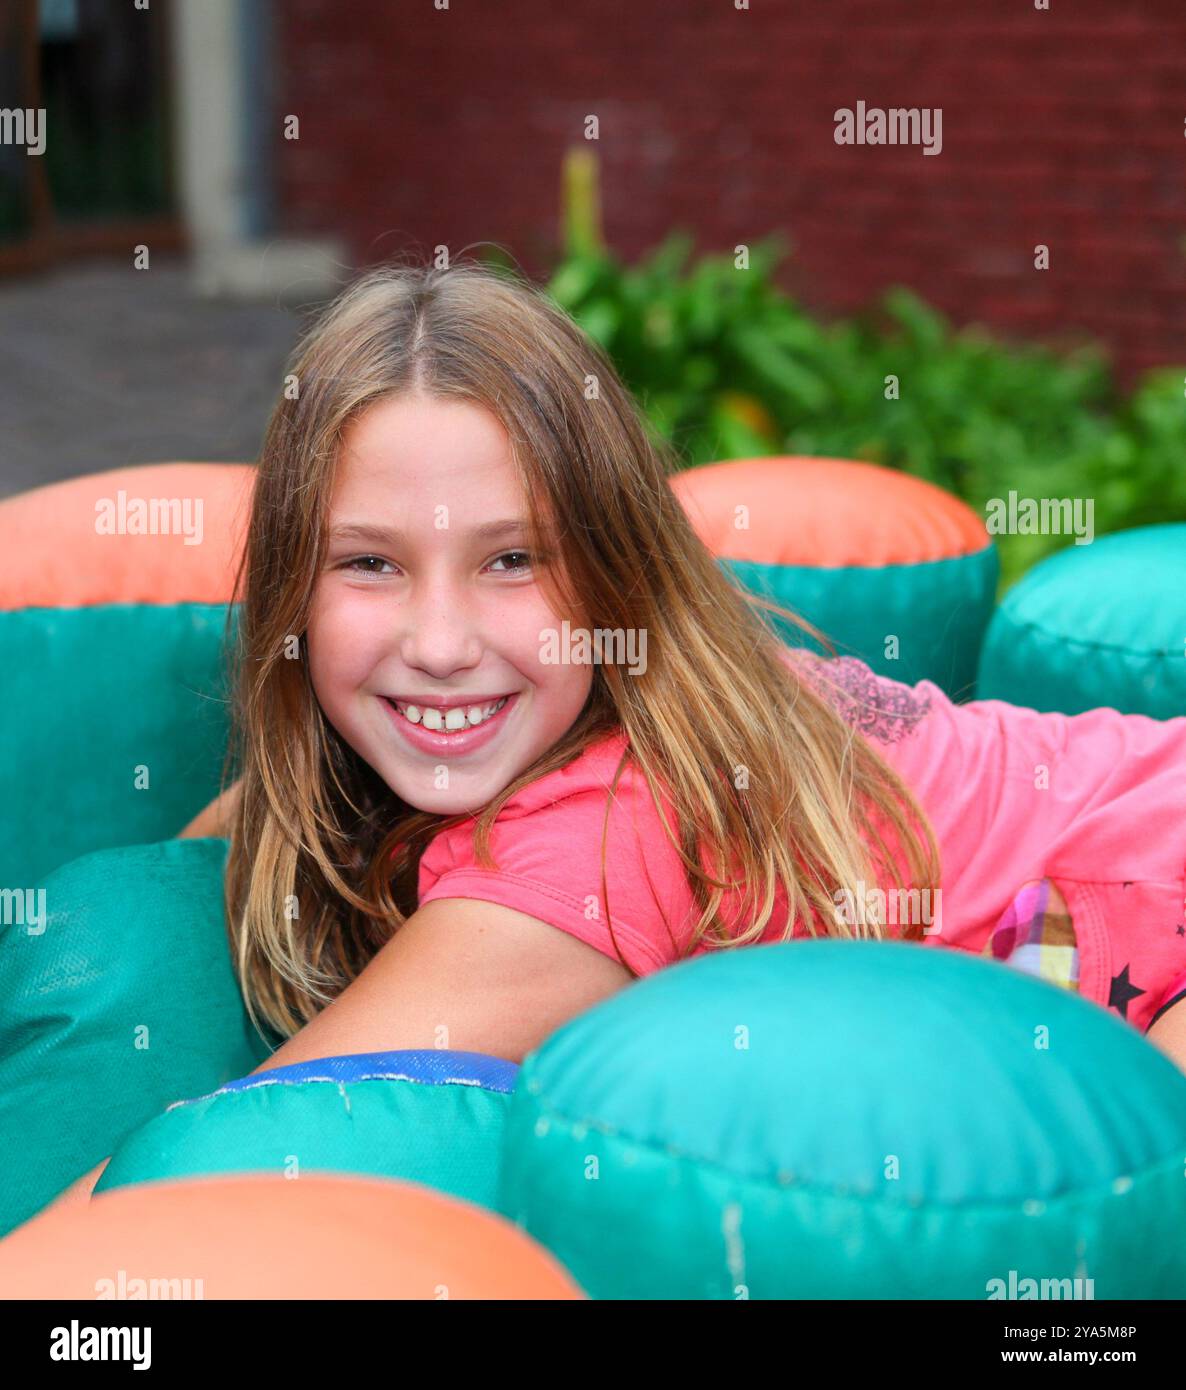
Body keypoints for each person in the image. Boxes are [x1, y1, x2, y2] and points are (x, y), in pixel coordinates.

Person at [50, 258, 1186, 1208]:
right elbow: (245, 822)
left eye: (512, 559)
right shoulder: (605, 706)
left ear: (615, 576)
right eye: (368, 563)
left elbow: (205, 1192)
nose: (439, 641)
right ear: (292, 590)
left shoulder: (582, 858)